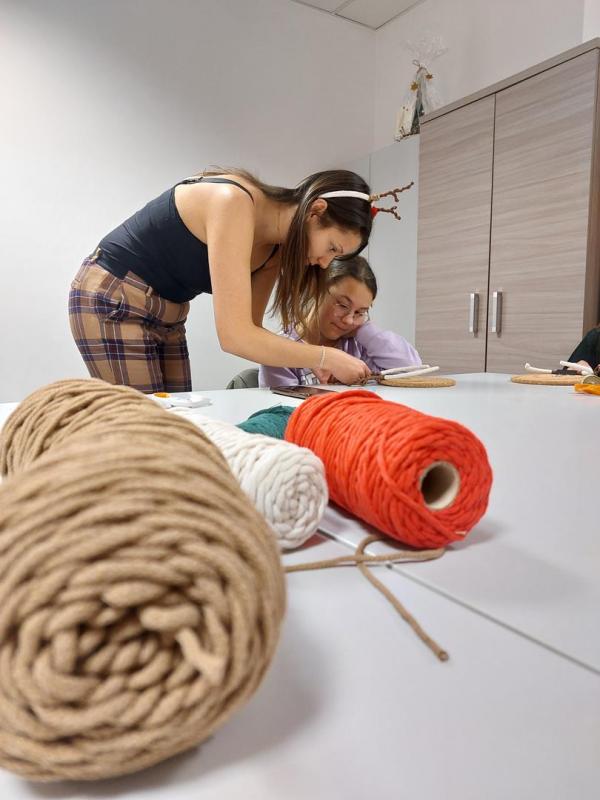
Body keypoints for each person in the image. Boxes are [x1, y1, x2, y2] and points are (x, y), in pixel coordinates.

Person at [69, 168, 376, 393]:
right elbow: (234, 336)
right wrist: (325, 356)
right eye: (332, 248)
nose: (325, 263)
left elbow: (250, 333)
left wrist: (313, 361)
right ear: (315, 211)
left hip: (169, 314)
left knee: (181, 424)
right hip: (115, 295)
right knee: (146, 431)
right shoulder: (234, 202)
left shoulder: (275, 251)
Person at [259, 255, 421, 387]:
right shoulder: (280, 351)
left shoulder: (359, 345)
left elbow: (412, 371)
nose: (349, 320)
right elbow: (282, 411)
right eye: (343, 305)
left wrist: (364, 331)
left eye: (360, 312)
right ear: (316, 290)